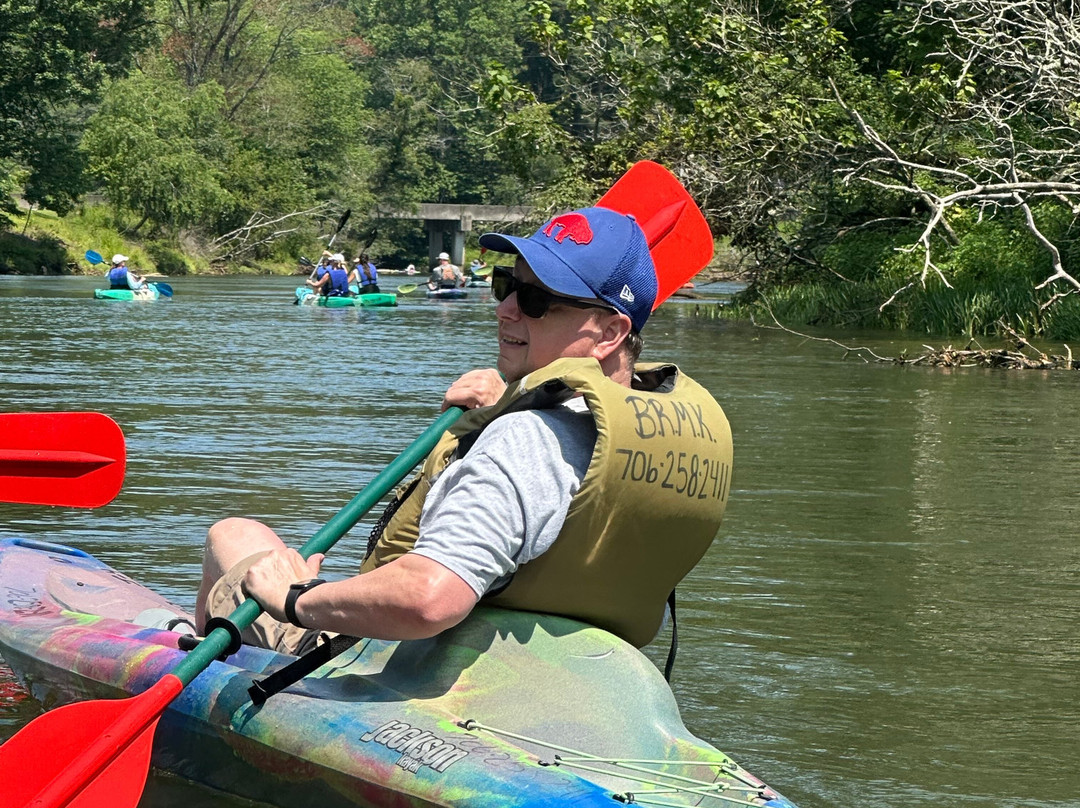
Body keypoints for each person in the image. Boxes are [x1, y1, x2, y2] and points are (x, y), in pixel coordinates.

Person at [196, 204, 732, 656]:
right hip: (567, 675)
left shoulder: (526, 439)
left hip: (390, 662)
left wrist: (298, 599)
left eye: (536, 301)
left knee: (234, 537)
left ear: (609, 333)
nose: (503, 309)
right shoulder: (652, 427)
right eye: (507, 286)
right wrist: (504, 404)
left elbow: (429, 599)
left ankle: (196, 671)